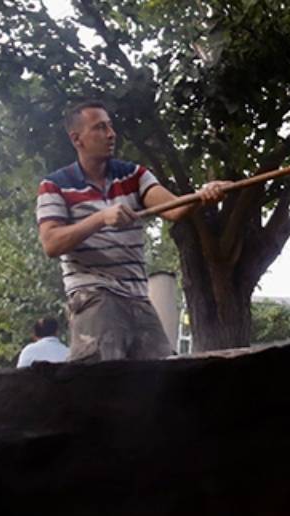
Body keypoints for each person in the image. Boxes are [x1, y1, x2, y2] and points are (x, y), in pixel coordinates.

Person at [36, 101, 229, 362]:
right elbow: (51, 243)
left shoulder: (134, 175)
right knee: (101, 380)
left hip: (138, 296)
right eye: (100, 127)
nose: (111, 134)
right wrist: (101, 218)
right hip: (95, 294)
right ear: (77, 139)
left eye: (110, 126)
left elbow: (173, 209)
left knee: (163, 377)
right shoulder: (54, 185)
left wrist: (202, 195)